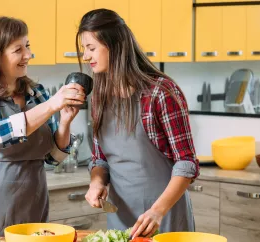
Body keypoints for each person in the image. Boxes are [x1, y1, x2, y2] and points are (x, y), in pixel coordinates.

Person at [0, 16, 85, 236]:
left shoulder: (37, 92)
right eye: (18, 49)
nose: (27, 55)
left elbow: (52, 157)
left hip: (31, 202)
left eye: (28, 46)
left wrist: (65, 122)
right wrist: (51, 106)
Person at [77, 9, 200, 238]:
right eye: (84, 49)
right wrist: (97, 182)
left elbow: (186, 163)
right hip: (120, 220)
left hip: (164, 218)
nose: (85, 56)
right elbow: (100, 159)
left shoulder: (160, 93)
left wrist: (157, 212)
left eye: (91, 48)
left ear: (114, 46)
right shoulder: (99, 97)